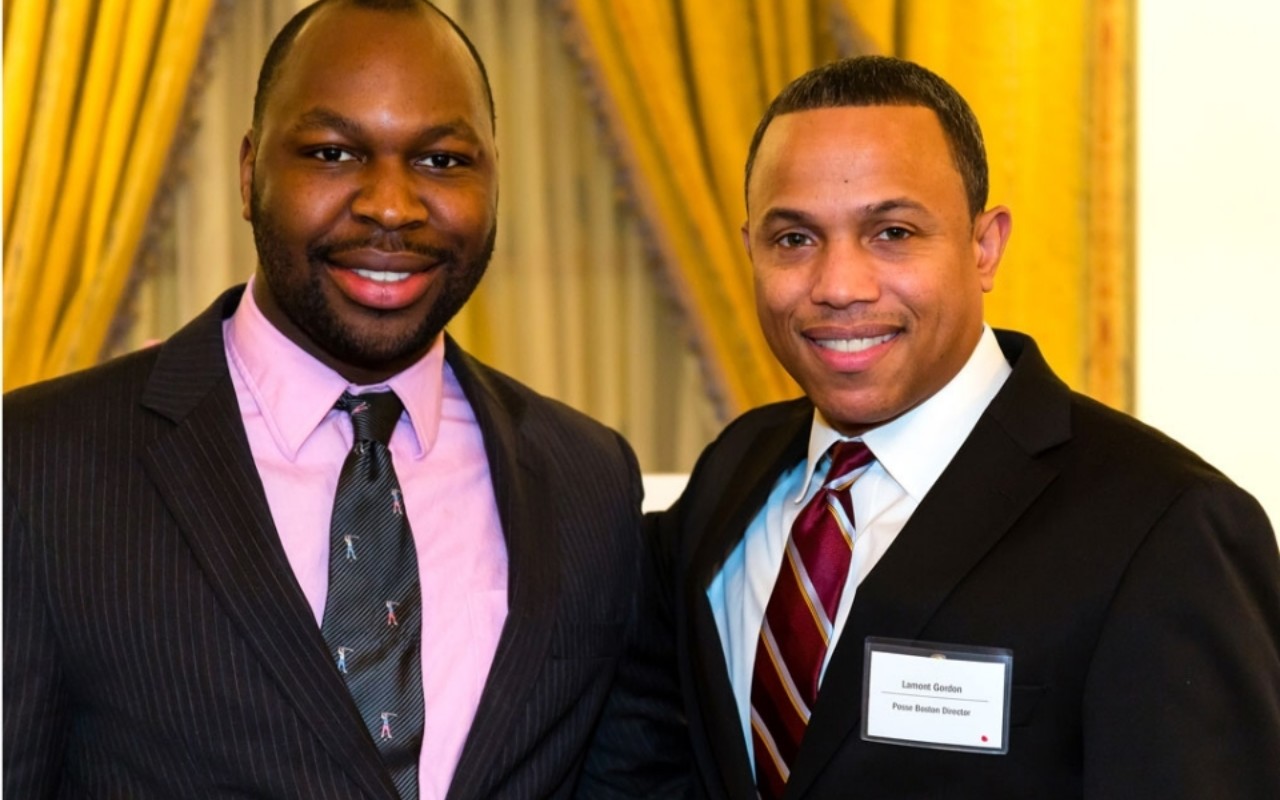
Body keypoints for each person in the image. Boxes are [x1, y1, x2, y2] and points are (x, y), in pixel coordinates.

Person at [3, 2, 643, 798]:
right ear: (249, 175)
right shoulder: (33, 467)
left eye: (442, 161)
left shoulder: (590, 480)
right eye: (334, 152)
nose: (390, 206)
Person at [622, 56, 1280, 798]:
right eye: (795, 240)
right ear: (751, 249)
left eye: (893, 232)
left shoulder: (1168, 529)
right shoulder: (734, 472)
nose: (839, 286)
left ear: (984, 245)